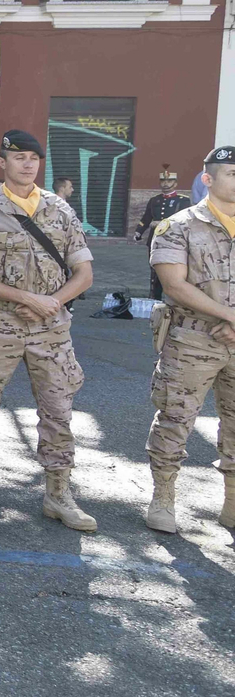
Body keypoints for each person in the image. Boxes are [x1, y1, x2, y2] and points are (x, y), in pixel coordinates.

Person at [0, 130, 96, 530]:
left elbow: (84, 272)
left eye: (34, 157)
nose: (28, 164)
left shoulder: (59, 210)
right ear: (3, 162)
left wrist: (51, 302)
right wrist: (28, 299)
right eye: (19, 157)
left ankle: (58, 493)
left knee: (58, 410)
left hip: (50, 327)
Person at [143, 144, 235, 533]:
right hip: (193, 340)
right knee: (175, 420)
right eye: (230, 172)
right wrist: (230, 316)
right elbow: (174, 285)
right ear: (208, 179)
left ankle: (231, 502)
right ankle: (163, 498)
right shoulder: (178, 225)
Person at [136, 170, 193, 300]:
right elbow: (146, 218)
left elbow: (184, 220)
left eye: (169, 181)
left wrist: (162, 223)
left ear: (175, 183)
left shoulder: (183, 200)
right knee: (154, 269)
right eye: (163, 181)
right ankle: (154, 297)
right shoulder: (154, 200)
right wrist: (139, 231)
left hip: (173, 240)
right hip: (154, 240)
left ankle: (176, 297)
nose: (166, 184)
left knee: (174, 269)